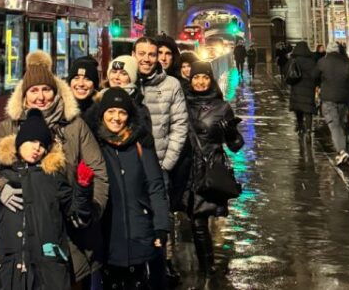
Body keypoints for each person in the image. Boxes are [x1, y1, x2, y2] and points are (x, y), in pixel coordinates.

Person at [0, 51, 109, 284]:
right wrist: (1, 188)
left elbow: (99, 173)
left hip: (72, 241)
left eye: (46, 89)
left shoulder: (75, 127)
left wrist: (87, 214)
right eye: (33, 91)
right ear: (24, 98)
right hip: (27, 246)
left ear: (56, 92)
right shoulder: (10, 127)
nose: (41, 97)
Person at [0, 109, 95, 289]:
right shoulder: (4, 178)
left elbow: (76, 215)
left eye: (42, 144)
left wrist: (83, 189)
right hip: (13, 272)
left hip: (49, 272)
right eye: (32, 141)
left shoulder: (54, 177)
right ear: (20, 142)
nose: (37, 147)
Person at [94, 88, 170, 290]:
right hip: (108, 235)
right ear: (102, 114)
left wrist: (161, 226)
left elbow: (155, 185)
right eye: (111, 111)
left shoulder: (141, 143)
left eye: (122, 112)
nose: (116, 118)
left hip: (140, 233)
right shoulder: (95, 145)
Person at [133, 37, 188, 287]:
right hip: (128, 166)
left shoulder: (172, 85)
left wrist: (166, 162)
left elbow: (179, 125)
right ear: (134, 54)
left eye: (151, 54)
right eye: (141, 53)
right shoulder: (125, 81)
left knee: (160, 220)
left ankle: (161, 266)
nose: (146, 59)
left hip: (158, 165)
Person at [182, 61, 243, 277]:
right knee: (195, 220)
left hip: (209, 168)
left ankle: (207, 269)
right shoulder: (182, 102)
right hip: (187, 168)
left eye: (205, 77)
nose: (200, 82)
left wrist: (232, 132)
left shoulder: (222, 107)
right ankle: (206, 268)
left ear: (211, 80)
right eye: (196, 77)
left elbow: (236, 146)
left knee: (199, 220)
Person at [315, 42, 349, 165]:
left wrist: (320, 84)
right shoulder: (348, 62)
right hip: (344, 97)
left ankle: (341, 151)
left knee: (334, 125)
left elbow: (314, 76)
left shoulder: (323, 62)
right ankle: (345, 147)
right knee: (341, 123)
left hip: (328, 97)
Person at [286, 41, 318, 135]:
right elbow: (315, 74)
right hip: (309, 88)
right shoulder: (312, 61)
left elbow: (287, 72)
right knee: (308, 109)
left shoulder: (294, 60)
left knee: (298, 108)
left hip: (297, 87)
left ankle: (300, 126)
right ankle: (308, 129)